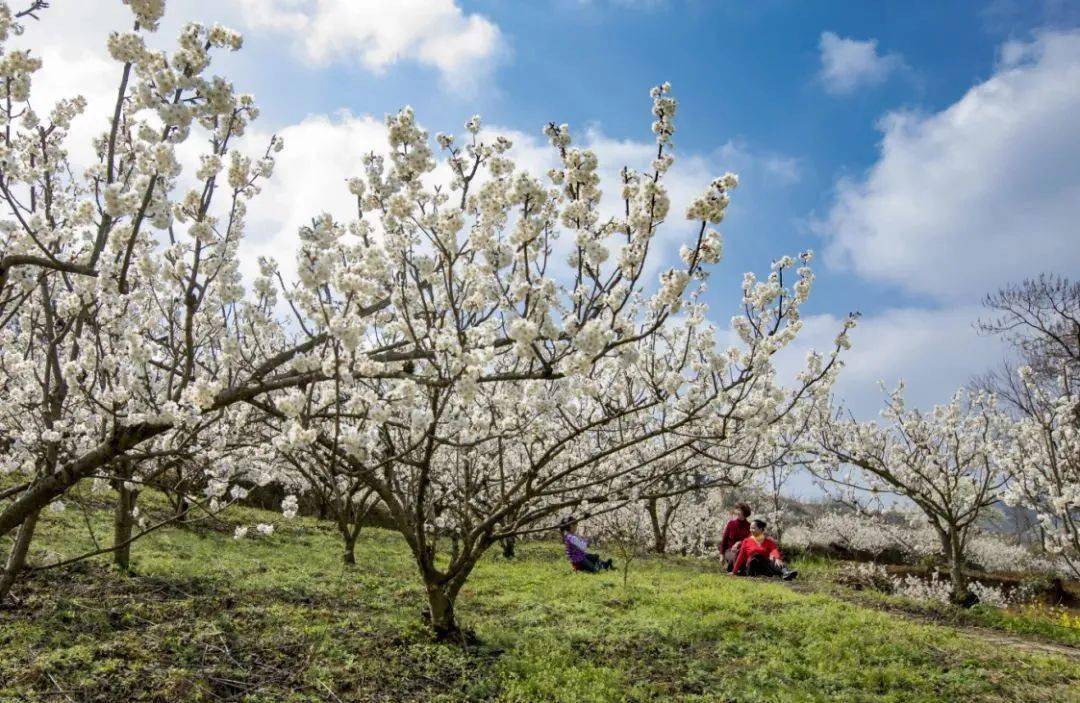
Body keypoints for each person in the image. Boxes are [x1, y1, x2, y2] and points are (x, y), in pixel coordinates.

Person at [731, 519, 797, 580]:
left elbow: (774, 550)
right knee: (756, 556)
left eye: (753, 528)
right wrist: (734, 571)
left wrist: (777, 558)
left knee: (775, 559)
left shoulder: (768, 541)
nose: (751, 530)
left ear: (761, 529)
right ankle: (781, 573)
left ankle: (785, 572)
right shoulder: (746, 541)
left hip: (764, 566)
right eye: (750, 528)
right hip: (752, 567)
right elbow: (740, 557)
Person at [720, 502, 752, 572]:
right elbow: (724, 541)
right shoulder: (731, 524)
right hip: (730, 551)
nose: (737, 512)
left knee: (745, 561)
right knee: (733, 559)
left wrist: (739, 543)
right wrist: (721, 555)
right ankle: (734, 569)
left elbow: (749, 542)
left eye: (739, 510)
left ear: (744, 512)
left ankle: (739, 569)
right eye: (736, 509)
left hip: (743, 552)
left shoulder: (750, 526)